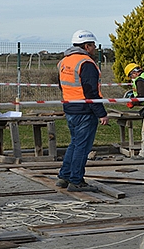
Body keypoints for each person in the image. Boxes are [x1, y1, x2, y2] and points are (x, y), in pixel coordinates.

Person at [56, 30, 109, 192]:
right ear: (87, 46)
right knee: (82, 146)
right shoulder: (86, 63)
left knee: (75, 143)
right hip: (85, 110)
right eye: (93, 45)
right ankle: (76, 180)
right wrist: (101, 113)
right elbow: (91, 92)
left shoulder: (64, 62)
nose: (95, 49)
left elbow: (62, 86)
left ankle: (64, 176)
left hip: (70, 107)